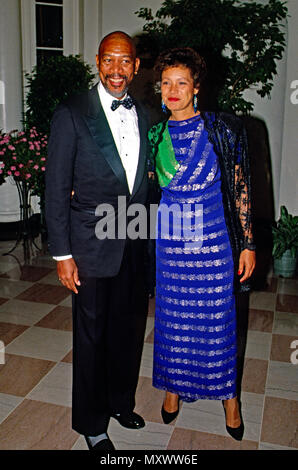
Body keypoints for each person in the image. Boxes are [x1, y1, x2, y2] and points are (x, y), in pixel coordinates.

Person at [45, 31, 150, 451]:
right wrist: (62, 254)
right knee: (91, 334)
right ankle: (92, 423)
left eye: (125, 62)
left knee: (128, 328)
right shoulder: (72, 112)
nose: (117, 70)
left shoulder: (145, 114)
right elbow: (55, 189)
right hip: (88, 243)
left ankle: (120, 401)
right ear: (97, 61)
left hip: (134, 238)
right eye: (110, 60)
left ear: (136, 66)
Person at [148, 47, 256, 441]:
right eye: (166, 83)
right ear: (159, 89)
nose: (173, 90)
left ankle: (230, 399)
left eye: (182, 83)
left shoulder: (223, 128)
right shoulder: (155, 133)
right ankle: (173, 389)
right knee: (174, 321)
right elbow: (142, 187)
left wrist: (247, 242)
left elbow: (241, 185)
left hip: (213, 242)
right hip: (172, 243)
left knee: (218, 322)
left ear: (196, 88)